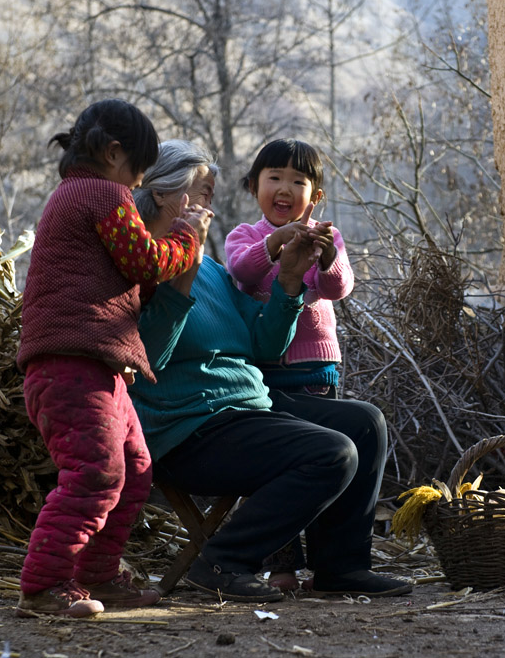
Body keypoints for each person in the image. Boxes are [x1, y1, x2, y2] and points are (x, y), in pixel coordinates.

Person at [129, 139, 412, 603]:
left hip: (244, 409)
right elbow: (149, 358)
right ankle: (223, 561)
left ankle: (341, 567)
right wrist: (179, 279)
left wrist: (287, 283)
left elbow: (262, 344)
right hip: (190, 429)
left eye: (210, 196)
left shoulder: (214, 271)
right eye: (200, 194)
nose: (208, 207)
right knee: (332, 453)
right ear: (162, 194)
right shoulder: (141, 265)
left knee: (365, 423)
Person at [15, 100, 213, 617]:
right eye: (140, 172)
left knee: (136, 470)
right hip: (72, 364)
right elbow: (147, 261)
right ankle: (44, 585)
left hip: (98, 367)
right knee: (95, 472)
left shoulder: (76, 194)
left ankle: (99, 575)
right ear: (113, 152)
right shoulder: (104, 193)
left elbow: (135, 278)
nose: (142, 185)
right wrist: (188, 238)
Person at [223, 139, 352, 589]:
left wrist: (329, 259)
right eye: (274, 177)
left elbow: (337, 289)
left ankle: (331, 561)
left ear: (314, 197)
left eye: (298, 181)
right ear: (254, 186)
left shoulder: (325, 237)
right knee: (276, 468)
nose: (284, 187)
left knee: (333, 462)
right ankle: (280, 564)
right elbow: (243, 273)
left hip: (316, 376)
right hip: (265, 377)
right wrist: (275, 245)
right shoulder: (244, 236)